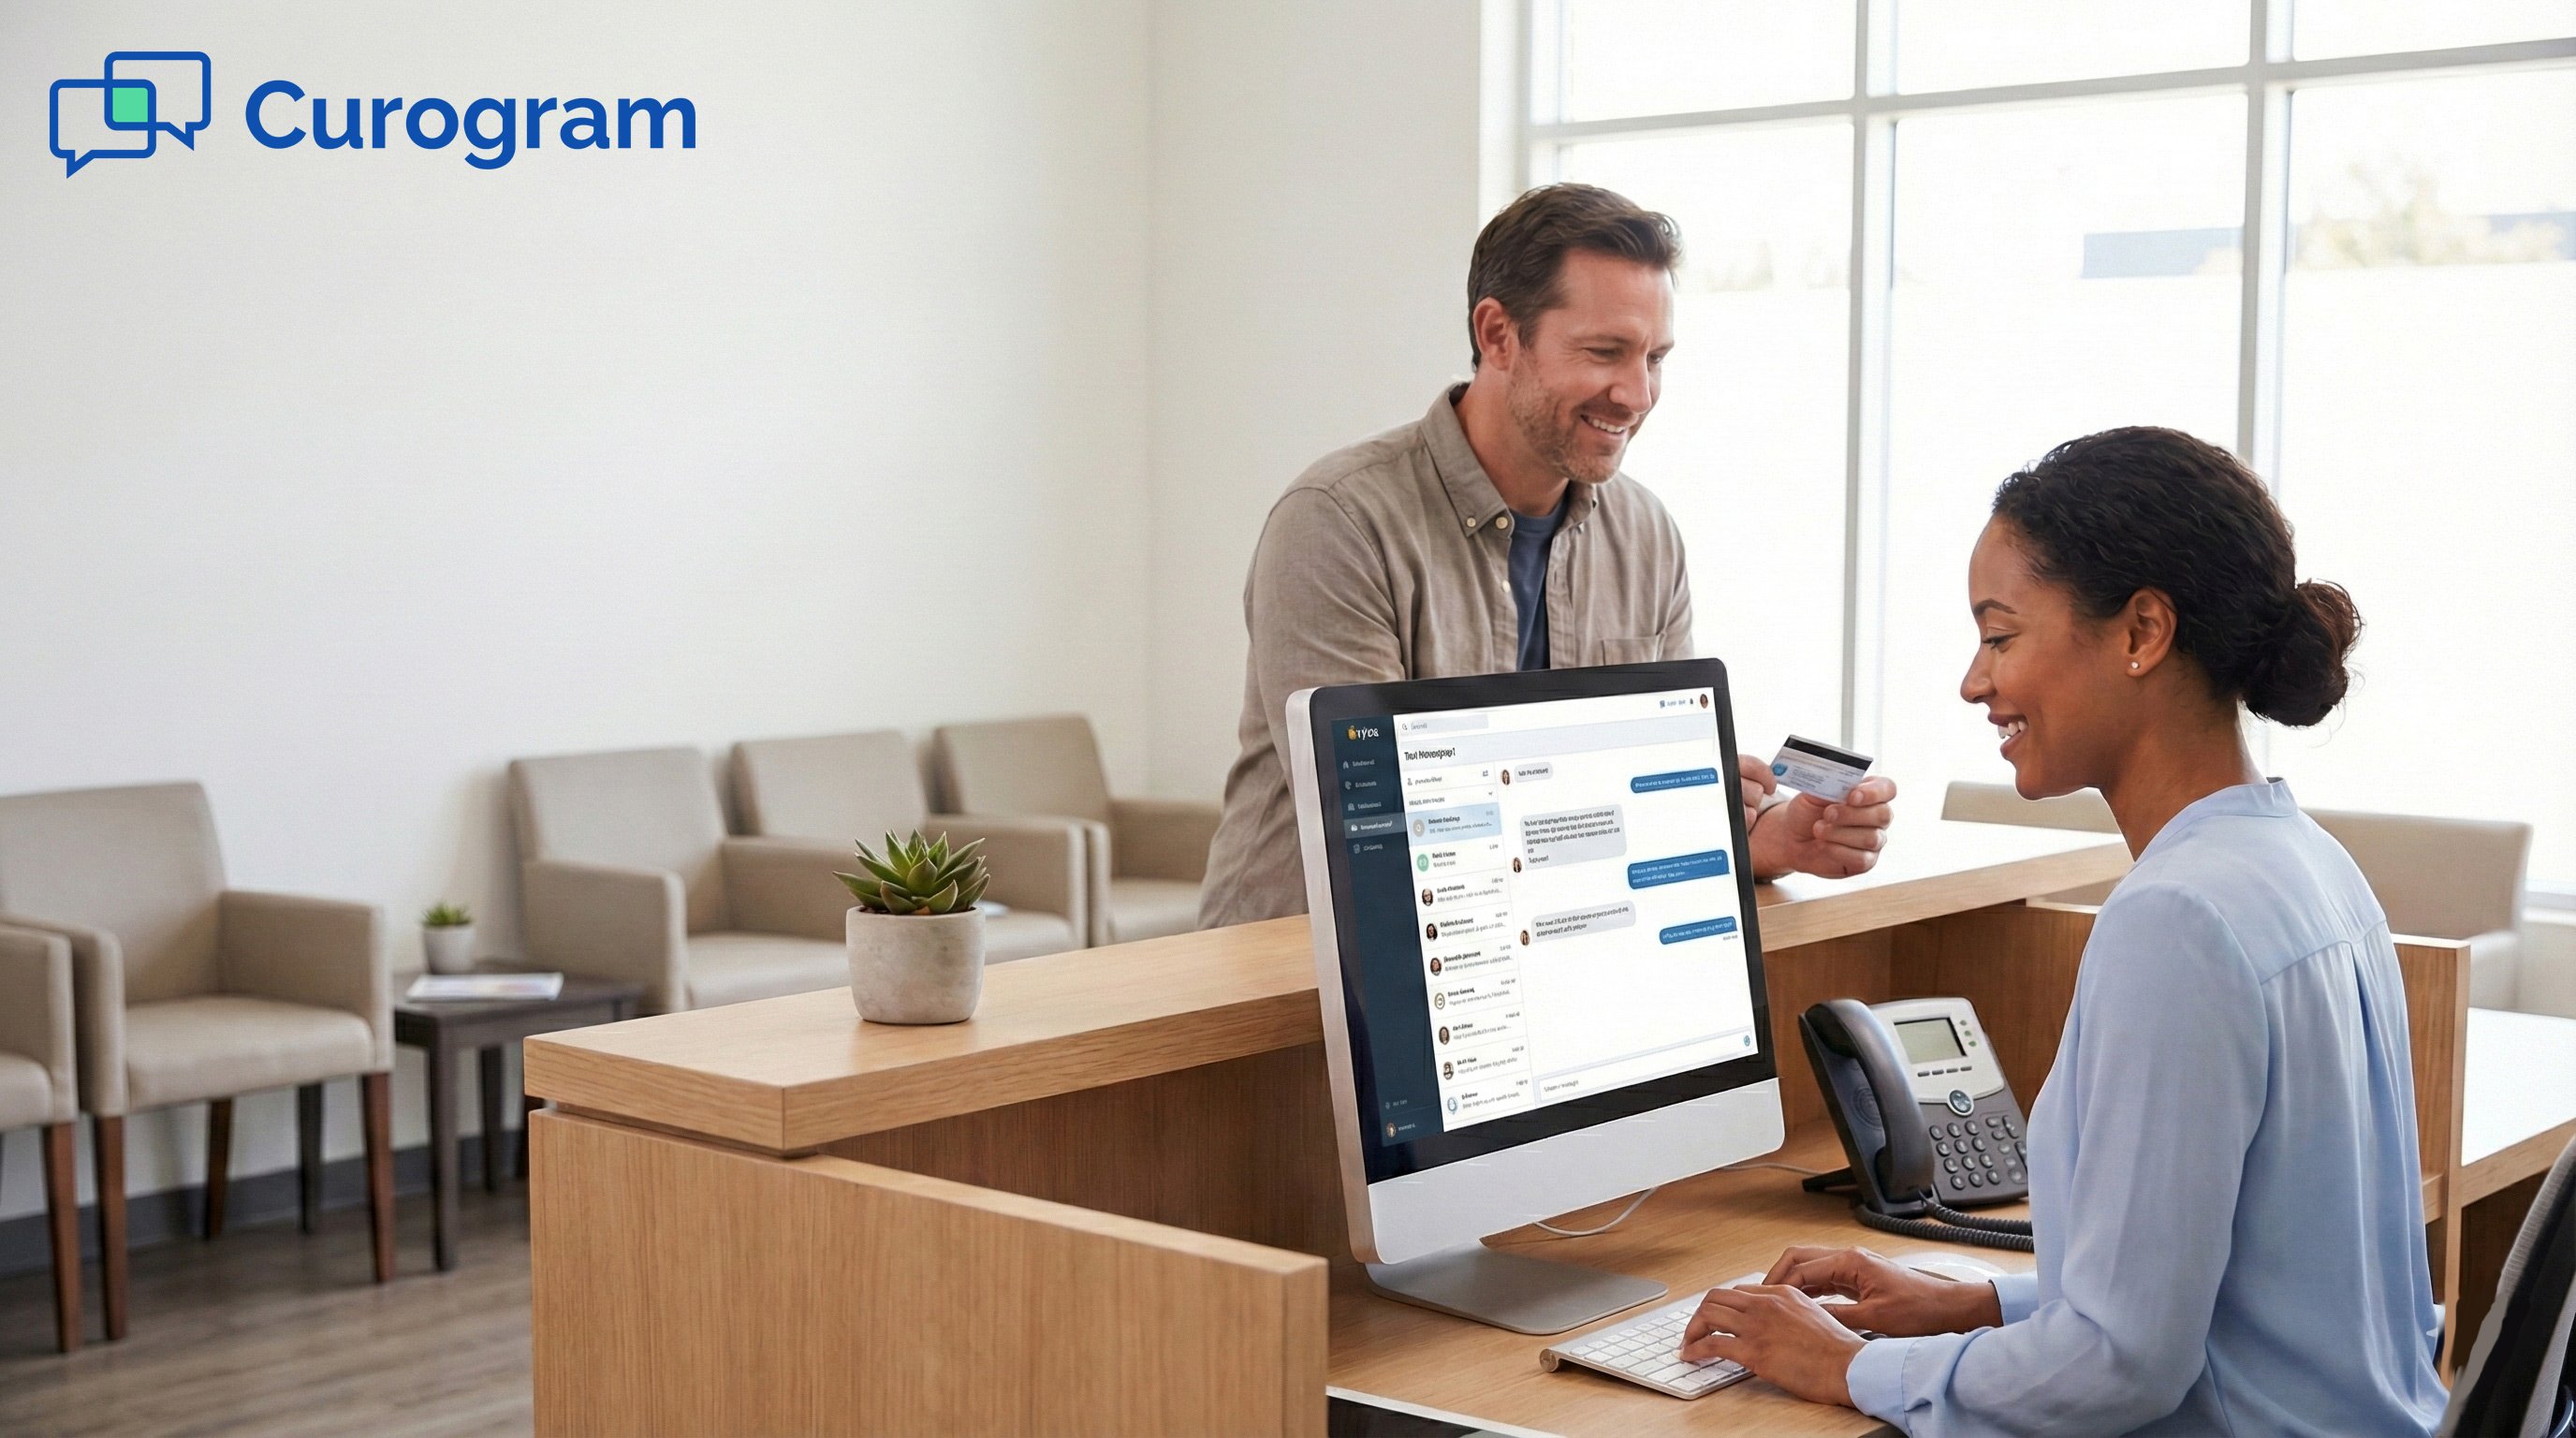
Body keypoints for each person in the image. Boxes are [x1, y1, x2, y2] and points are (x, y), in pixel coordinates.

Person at [1680, 428, 2447, 1437]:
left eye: (2000, 637)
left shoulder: (2178, 923)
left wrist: (1847, 1369)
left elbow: (2120, 1368)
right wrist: (1978, 1301)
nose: (1972, 681)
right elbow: (2231, 1295)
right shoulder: (2307, 865)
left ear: (2140, 632)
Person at [1198, 183, 1896, 930]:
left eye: (1655, 357)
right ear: (1498, 334)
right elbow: (1383, 825)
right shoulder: (1338, 522)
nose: (1637, 394)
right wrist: (1642, 795)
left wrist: (1758, 837)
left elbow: (1635, 816)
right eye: (1605, 353)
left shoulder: (1645, 535)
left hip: (1529, 963)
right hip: (1300, 982)